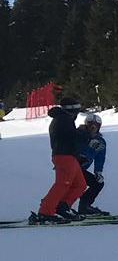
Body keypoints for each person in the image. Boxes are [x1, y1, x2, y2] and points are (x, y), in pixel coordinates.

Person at [30, 94, 87, 224]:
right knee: (62, 184)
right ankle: (45, 212)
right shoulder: (63, 120)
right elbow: (70, 138)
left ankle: (62, 206)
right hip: (64, 156)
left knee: (80, 184)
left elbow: (69, 139)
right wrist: (82, 133)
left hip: (69, 156)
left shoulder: (64, 119)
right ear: (72, 109)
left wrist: (78, 155)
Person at [71, 112, 109, 216]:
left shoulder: (100, 141)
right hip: (71, 166)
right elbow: (76, 151)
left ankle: (85, 206)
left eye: (96, 126)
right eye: (91, 125)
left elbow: (100, 158)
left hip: (81, 170)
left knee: (97, 183)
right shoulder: (79, 135)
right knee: (74, 186)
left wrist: (98, 172)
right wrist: (88, 147)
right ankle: (60, 206)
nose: (93, 128)